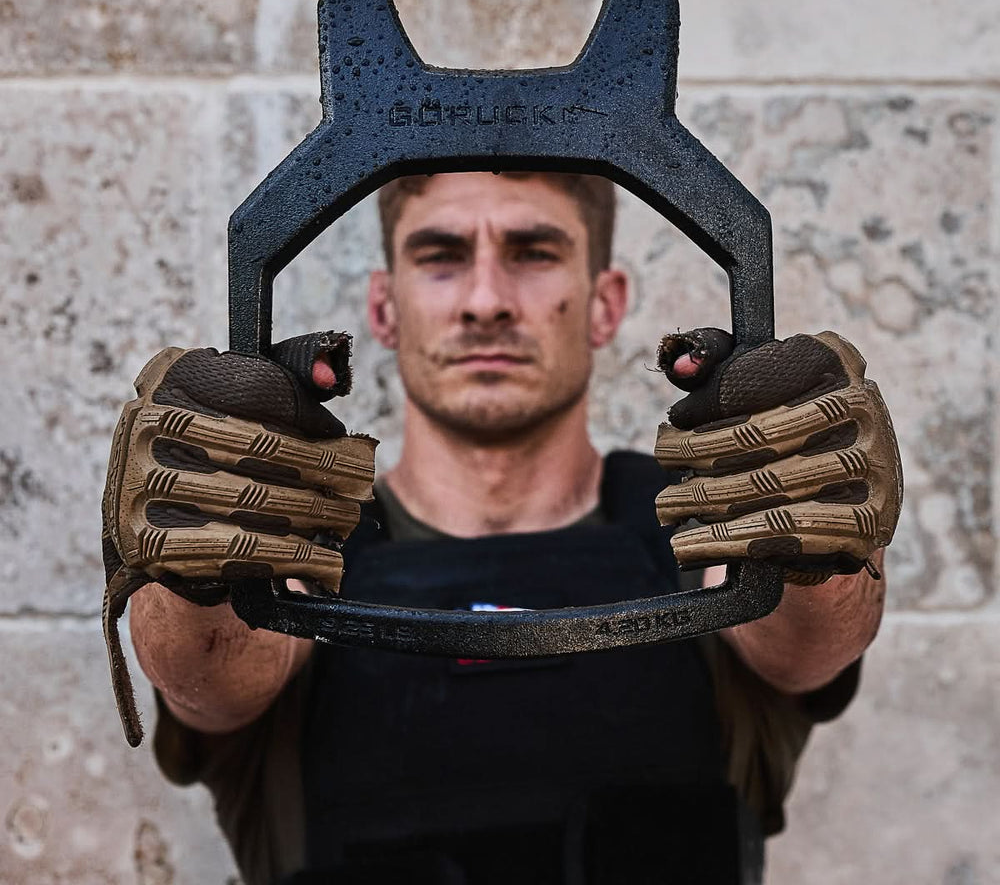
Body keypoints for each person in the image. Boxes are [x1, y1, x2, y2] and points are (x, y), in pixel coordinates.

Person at [106, 171, 900, 885]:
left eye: (533, 253)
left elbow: (808, 642)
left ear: (606, 303)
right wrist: (196, 570)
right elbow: (207, 674)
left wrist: (816, 547)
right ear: (384, 306)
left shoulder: (705, 531)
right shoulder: (301, 551)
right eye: (442, 256)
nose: (486, 300)